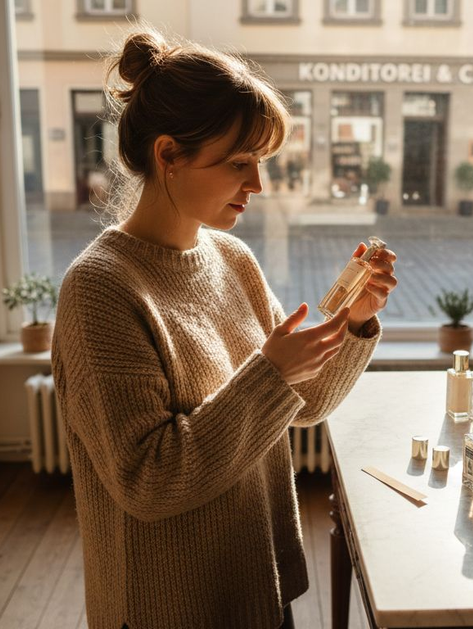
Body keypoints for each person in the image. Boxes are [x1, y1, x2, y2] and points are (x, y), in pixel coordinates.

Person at [51, 29, 398, 629]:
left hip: (257, 579)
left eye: (259, 162)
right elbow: (149, 481)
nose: (257, 185)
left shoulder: (232, 259)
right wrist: (271, 373)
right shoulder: (100, 290)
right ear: (168, 156)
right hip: (169, 606)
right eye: (239, 163)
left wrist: (355, 321)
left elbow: (304, 403)